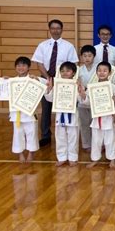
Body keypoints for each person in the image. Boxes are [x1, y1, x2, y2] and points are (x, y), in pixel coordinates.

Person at [32, 19, 78, 147]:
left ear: (62, 29)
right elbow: (39, 63)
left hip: (64, 81)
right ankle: (46, 136)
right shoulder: (42, 45)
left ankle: (66, 134)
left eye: (58, 28)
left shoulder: (68, 46)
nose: (55, 30)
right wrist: (48, 78)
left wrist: (65, 79)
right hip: (46, 79)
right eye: (53, 28)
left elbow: (72, 65)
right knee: (46, 108)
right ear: (49, 29)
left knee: (64, 107)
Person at [79, 62, 115, 169]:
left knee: (110, 140)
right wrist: (83, 95)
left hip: (108, 118)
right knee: (96, 140)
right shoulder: (92, 87)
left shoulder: (113, 87)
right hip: (97, 118)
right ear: (96, 72)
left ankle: (112, 159)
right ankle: (95, 159)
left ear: (109, 73)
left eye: (105, 70)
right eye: (99, 70)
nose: (102, 73)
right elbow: (87, 102)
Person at [45, 62, 80, 167]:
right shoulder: (57, 86)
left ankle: (73, 157)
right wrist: (50, 89)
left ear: (73, 73)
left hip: (73, 116)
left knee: (73, 138)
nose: (65, 73)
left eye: (68, 71)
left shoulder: (76, 85)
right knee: (60, 137)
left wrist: (82, 92)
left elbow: (82, 101)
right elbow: (50, 99)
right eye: (62, 71)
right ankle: (62, 157)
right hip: (60, 116)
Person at [9, 57, 39, 163]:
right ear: (15, 67)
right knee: (18, 134)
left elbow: (43, 88)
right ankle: (20, 154)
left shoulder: (33, 79)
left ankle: (31, 153)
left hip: (29, 113)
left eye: (23, 65)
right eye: (18, 65)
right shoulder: (12, 81)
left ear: (28, 67)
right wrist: (3, 82)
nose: (21, 67)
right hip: (16, 113)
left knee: (31, 133)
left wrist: (37, 80)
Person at [77, 45, 97, 151]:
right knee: (84, 123)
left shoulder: (99, 69)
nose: (87, 58)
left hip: (95, 100)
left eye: (90, 56)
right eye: (84, 56)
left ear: (94, 56)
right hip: (82, 99)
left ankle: (96, 143)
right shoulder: (78, 70)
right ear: (81, 57)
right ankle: (86, 144)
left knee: (95, 123)